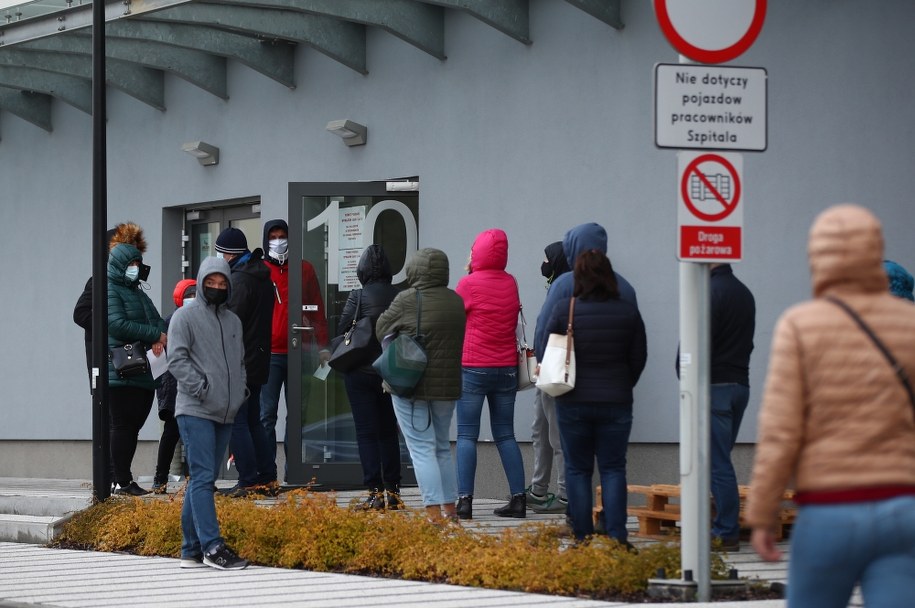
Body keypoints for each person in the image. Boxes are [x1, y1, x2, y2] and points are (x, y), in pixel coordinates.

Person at [746, 204, 915, 608]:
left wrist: (763, 513)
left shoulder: (801, 324)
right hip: (902, 507)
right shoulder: (909, 322)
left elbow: (781, 431)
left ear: (817, 256)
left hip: (829, 510)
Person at [541, 250, 647, 544]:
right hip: (616, 401)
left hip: (573, 401)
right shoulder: (627, 310)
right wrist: (624, 385)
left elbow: (550, 347)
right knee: (614, 468)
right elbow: (639, 356)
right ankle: (617, 536)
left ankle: (582, 536)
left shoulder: (566, 308)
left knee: (578, 469)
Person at [169, 256, 249, 570]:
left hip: (226, 410)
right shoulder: (184, 317)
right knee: (203, 477)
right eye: (211, 282)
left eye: (222, 283)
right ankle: (212, 546)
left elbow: (240, 363)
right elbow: (176, 360)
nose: (216, 287)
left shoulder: (234, 321)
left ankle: (190, 550)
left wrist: (240, 391)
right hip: (194, 408)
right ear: (201, 283)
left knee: (202, 479)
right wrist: (202, 388)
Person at [375, 248, 466, 523]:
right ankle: (450, 509)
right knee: (440, 447)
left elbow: (381, 327)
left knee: (421, 449)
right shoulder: (455, 301)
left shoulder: (407, 299)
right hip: (447, 387)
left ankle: (433, 514)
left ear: (414, 270)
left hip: (411, 385)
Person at [675, 263, 755, 551]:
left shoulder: (708, 292)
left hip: (714, 388)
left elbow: (695, 343)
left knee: (715, 461)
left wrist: (682, 373)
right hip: (739, 386)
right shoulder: (744, 293)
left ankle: (725, 530)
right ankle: (718, 523)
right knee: (720, 458)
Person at [454, 229, 526, 519]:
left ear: (478, 253)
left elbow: (456, 318)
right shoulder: (511, 282)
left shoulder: (468, 283)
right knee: (506, 434)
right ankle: (519, 499)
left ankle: (465, 502)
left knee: (467, 435)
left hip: (473, 368)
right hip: (506, 368)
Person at [260, 219, 329, 483]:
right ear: (266, 240)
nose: (279, 241)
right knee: (266, 415)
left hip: (299, 351)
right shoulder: (260, 270)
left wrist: (323, 346)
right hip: (268, 354)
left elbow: (318, 309)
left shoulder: (304, 269)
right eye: (274, 236)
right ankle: (267, 475)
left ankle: (294, 471)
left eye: (283, 236)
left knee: (297, 415)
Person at [336, 245, 402, 510]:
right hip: (391, 371)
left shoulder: (358, 296)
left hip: (360, 371)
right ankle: (394, 493)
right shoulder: (400, 295)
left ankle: (374, 493)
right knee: (389, 431)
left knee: (366, 434)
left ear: (361, 269)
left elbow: (342, 329)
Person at [214, 227, 277, 497]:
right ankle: (266, 477)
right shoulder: (261, 275)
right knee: (253, 420)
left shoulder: (239, 281)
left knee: (237, 421)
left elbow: (231, 322)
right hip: (259, 357)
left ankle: (249, 480)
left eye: (220, 253)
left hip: (240, 360)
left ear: (228, 255)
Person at [106, 223, 167, 496]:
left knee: (133, 428)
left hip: (143, 371)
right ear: (119, 264)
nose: (135, 267)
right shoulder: (110, 289)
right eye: (130, 263)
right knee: (123, 426)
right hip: (120, 371)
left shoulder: (139, 292)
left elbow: (157, 320)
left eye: (137, 263)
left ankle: (124, 478)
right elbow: (117, 325)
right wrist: (153, 334)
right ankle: (120, 479)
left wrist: (158, 336)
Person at [526, 241, 571, 514]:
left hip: (556, 365)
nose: (542, 264)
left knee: (557, 434)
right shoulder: (556, 285)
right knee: (539, 429)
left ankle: (565, 495)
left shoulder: (566, 286)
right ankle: (539, 488)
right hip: (545, 365)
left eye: (546, 259)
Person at [151, 279, 196, 494]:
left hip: (195, 385)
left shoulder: (205, 321)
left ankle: (197, 479)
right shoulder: (169, 323)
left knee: (196, 434)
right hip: (174, 385)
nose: (193, 298)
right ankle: (160, 479)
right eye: (189, 294)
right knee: (172, 433)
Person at [74, 227, 118, 384]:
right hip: (103, 363)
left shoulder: (125, 283)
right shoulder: (99, 281)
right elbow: (80, 314)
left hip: (124, 366)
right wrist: (110, 326)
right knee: (105, 406)